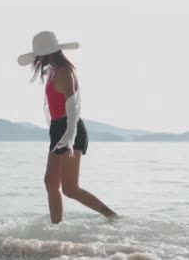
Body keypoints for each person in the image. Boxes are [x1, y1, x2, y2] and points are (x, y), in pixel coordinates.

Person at [18, 31, 117, 224]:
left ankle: (113, 216)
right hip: (58, 129)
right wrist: (56, 133)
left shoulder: (64, 71)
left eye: (38, 55)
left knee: (70, 188)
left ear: (46, 53)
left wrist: (69, 137)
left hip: (69, 128)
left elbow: (73, 109)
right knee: (50, 182)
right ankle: (56, 228)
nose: (37, 60)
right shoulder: (53, 70)